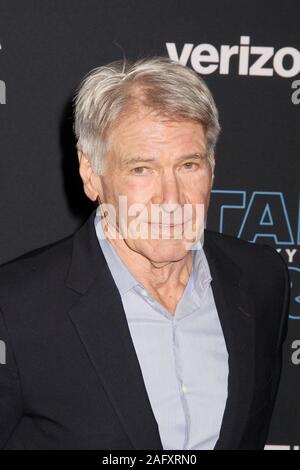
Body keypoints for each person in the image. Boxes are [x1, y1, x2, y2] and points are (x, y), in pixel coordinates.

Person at [0, 57, 290, 450]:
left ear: (213, 166)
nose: (171, 199)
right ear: (91, 174)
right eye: (141, 170)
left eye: (188, 165)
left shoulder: (261, 278)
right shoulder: (15, 307)